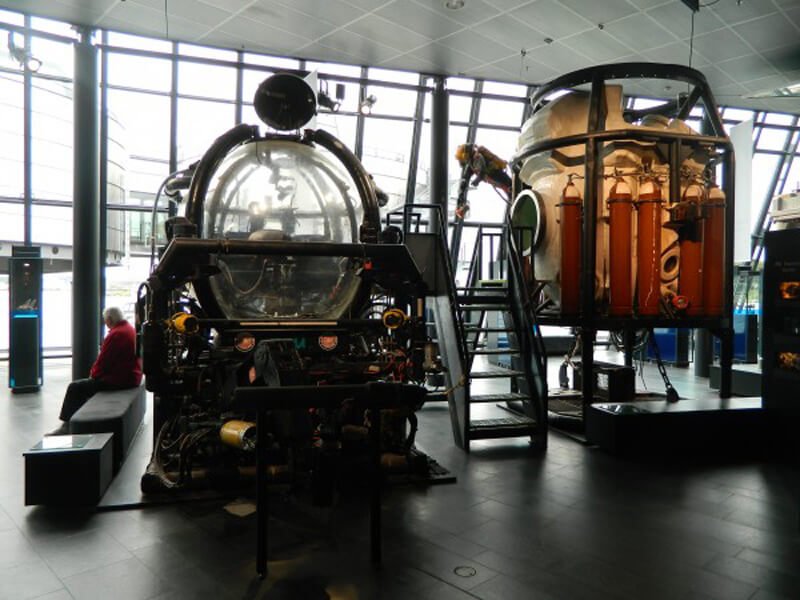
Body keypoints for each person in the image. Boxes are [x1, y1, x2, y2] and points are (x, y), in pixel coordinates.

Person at [49, 307, 142, 435]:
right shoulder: (129, 329)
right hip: (131, 377)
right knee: (85, 387)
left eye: (105, 321)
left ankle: (67, 426)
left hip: (121, 380)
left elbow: (103, 362)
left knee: (75, 388)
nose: (106, 324)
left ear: (109, 319)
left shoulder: (116, 334)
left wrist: (93, 375)